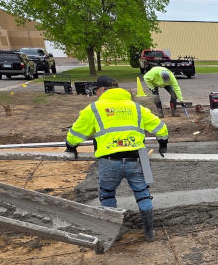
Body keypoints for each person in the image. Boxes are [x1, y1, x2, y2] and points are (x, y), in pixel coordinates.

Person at [64, 76, 168, 240]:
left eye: (97, 91)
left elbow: (76, 133)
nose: (96, 94)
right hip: (136, 159)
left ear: (103, 89)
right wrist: (163, 144)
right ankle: (149, 232)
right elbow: (160, 127)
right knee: (142, 194)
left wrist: (70, 146)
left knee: (107, 195)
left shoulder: (94, 108)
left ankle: (114, 234)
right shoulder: (136, 107)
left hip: (109, 161)